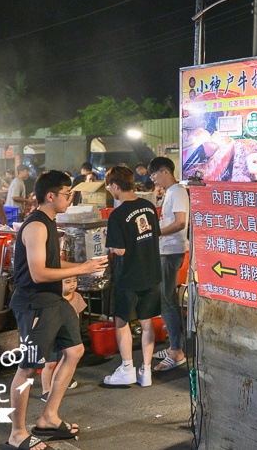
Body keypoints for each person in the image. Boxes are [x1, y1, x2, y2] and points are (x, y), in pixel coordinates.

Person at [7, 170, 107, 450]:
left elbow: (52, 263)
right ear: (50, 195)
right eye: (67, 193)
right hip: (34, 303)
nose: (70, 198)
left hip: (54, 301)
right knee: (28, 369)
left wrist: (86, 265)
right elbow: (38, 273)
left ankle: (49, 417)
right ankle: (17, 433)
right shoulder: (36, 226)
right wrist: (83, 269)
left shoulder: (50, 222)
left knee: (74, 351)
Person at [103, 165, 162, 388]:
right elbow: (153, 236)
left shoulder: (117, 214)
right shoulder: (148, 206)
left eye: (109, 186)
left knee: (122, 321)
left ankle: (127, 367)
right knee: (147, 323)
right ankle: (145, 371)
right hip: (151, 272)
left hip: (128, 276)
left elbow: (120, 251)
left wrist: (110, 240)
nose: (109, 190)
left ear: (116, 186)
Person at [147, 156, 190, 372]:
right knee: (167, 299)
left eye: (154, 175)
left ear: (164, 171)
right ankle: (176, 345)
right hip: (167, 249)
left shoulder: (178, 191)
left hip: (172, 251)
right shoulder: (171, 193)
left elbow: (181, 222)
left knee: (168, 300)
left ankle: (177, 351)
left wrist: (156, 232)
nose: (154, 181)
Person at [38, 276, 87, 402]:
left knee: (67, 359)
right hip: (52, 337)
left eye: (75, 281)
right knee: (49, 364)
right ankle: (46, 390)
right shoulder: (52, 300)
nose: (72, 285)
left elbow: (76, 316)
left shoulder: (77, 297)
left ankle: (66, 379)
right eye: (67, 282)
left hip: (68, 336)